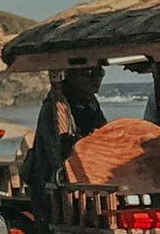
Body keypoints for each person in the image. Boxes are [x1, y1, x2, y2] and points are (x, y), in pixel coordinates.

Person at [23, 64, 105, 202]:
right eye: (88, 73)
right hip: (53, 187)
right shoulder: (57, 104)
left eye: (100, 72)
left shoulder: (89, 102)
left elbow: (103, 132)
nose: (96, 78)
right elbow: (58, 151)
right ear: (71, 75)